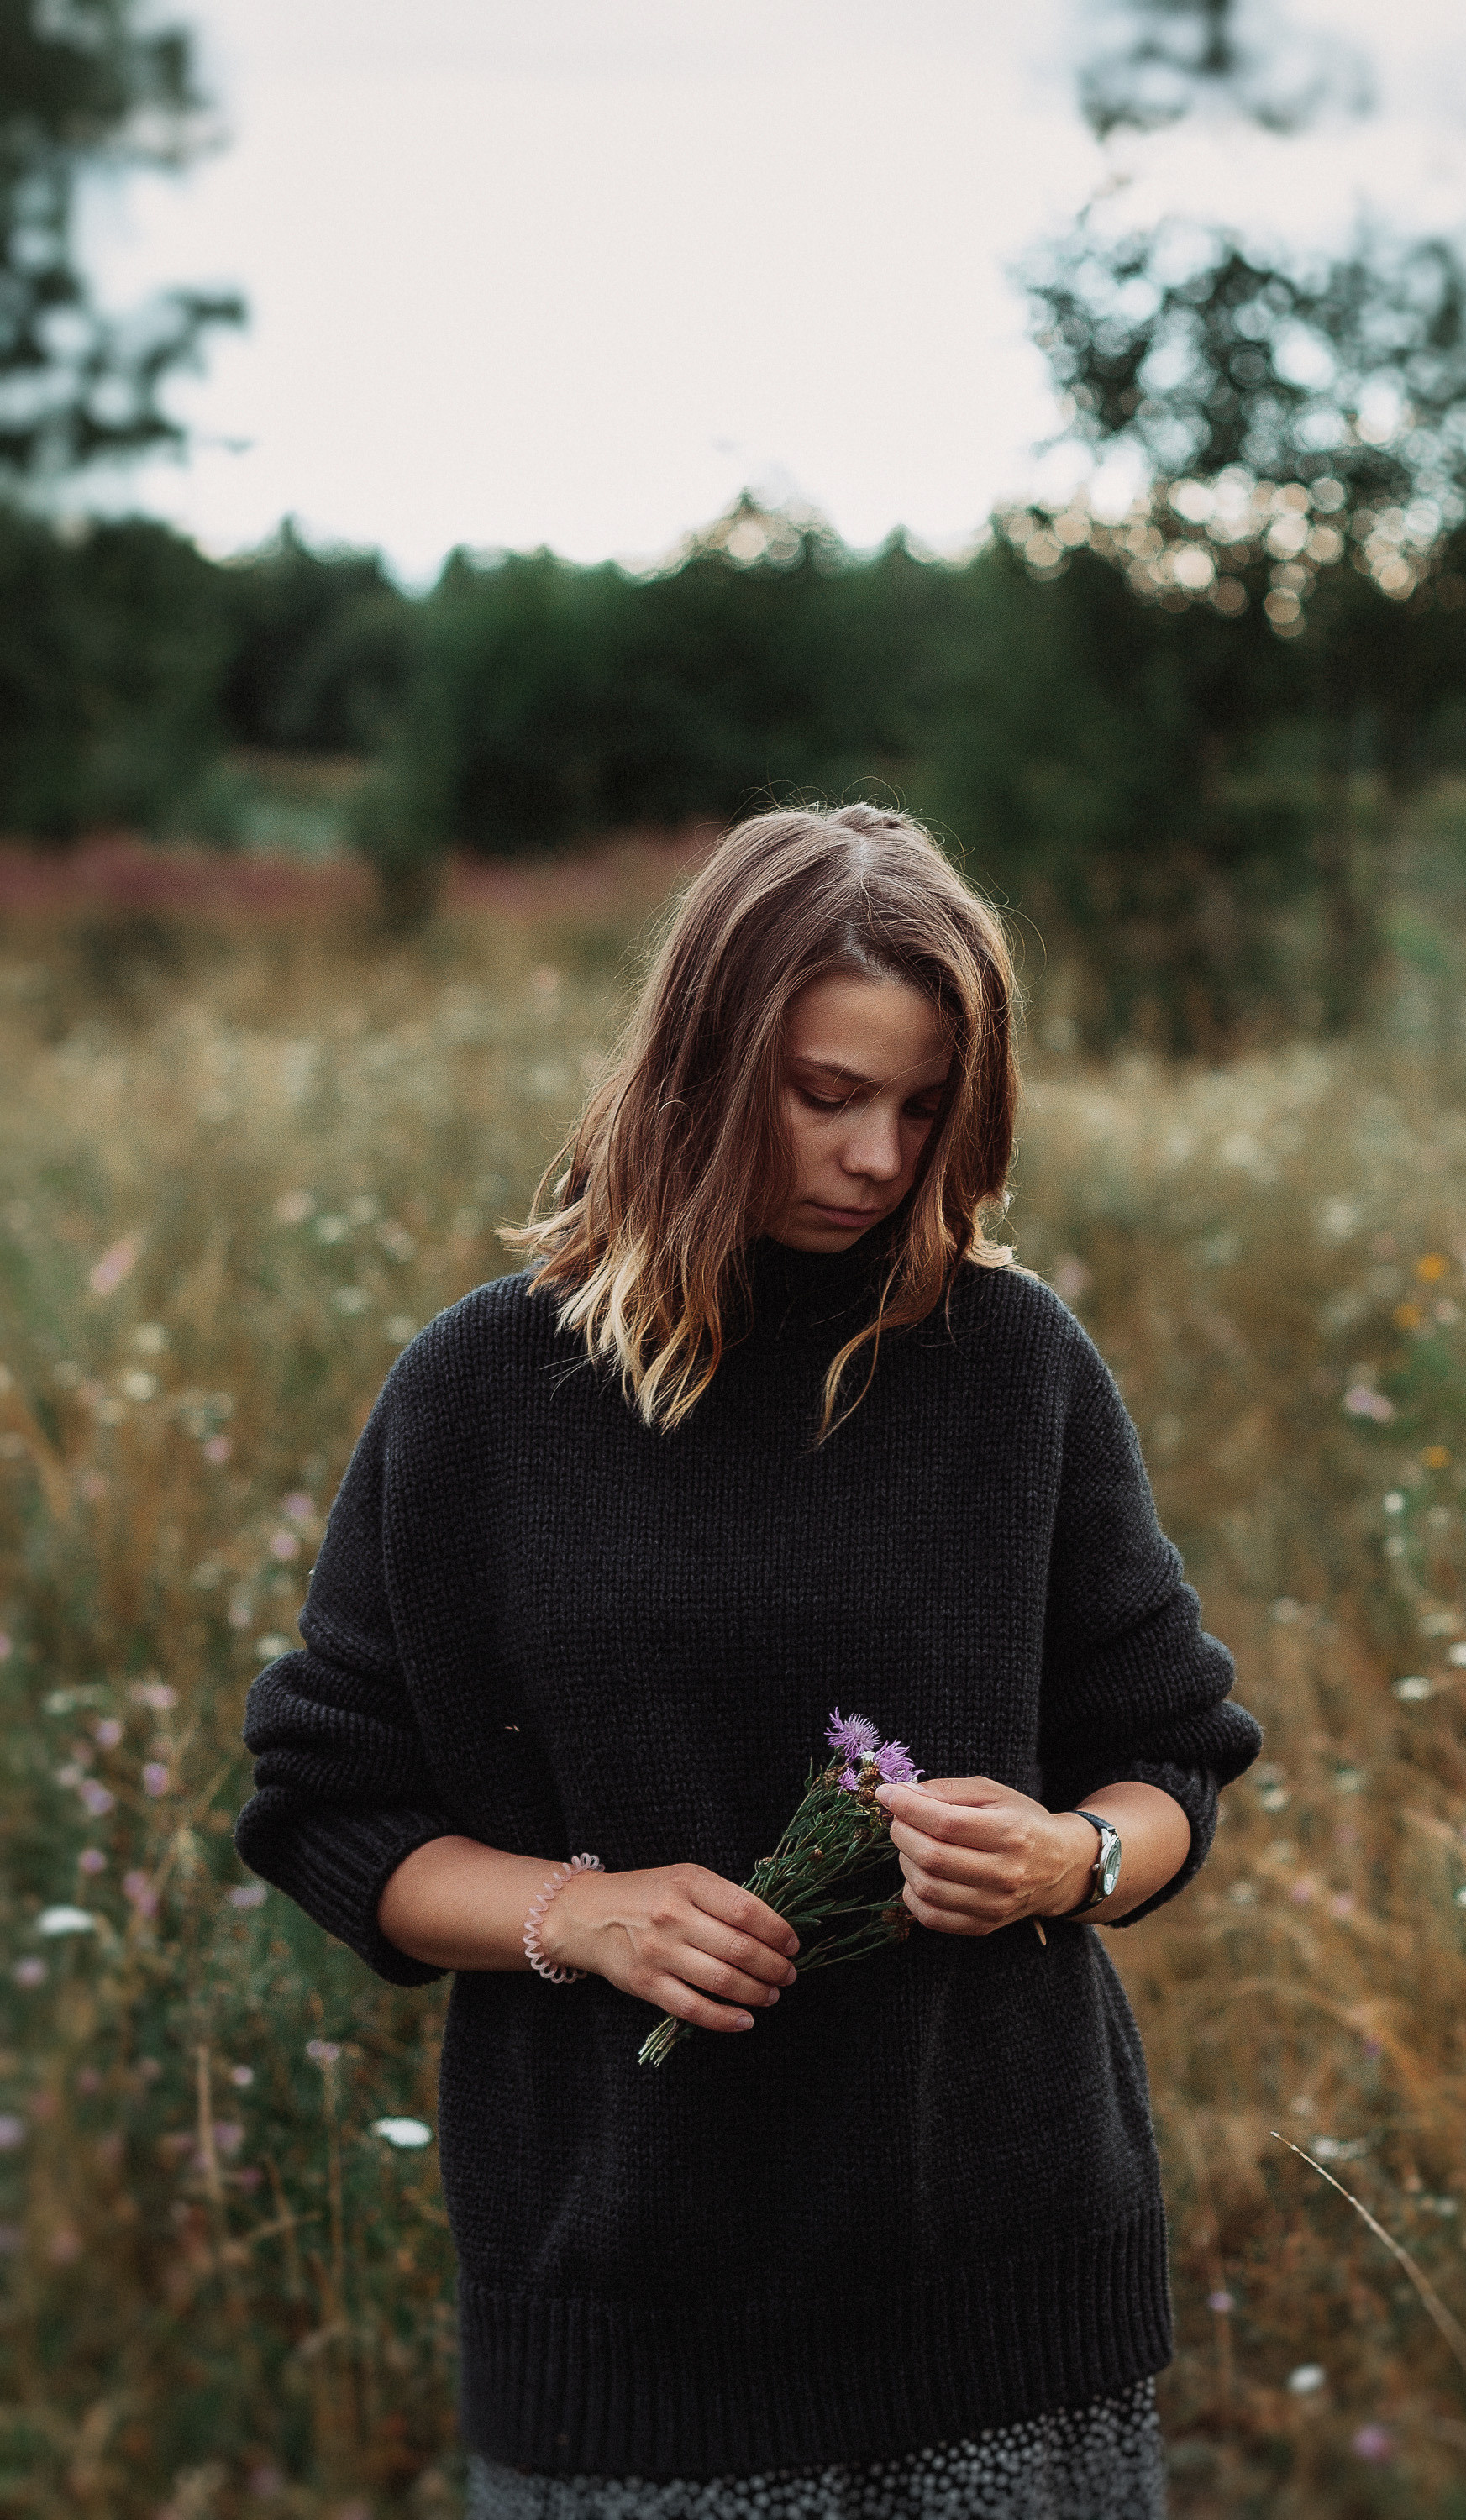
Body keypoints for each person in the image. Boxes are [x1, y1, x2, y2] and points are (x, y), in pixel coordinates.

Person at [235, 803, 1261, 2520]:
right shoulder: (486, 1395)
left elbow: (1171, 1758)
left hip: (1003, 2298)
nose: (876, 1156)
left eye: (923, 1107)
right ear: (703, 1064)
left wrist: (1066, 1861)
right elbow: (329, 1809)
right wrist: (584, 1915)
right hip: (637, 2316)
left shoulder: (1015, 1367)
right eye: (826, 1093)